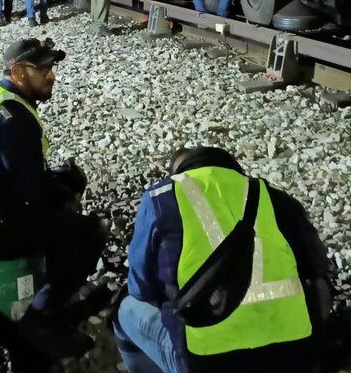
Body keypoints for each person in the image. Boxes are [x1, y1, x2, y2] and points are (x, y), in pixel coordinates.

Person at [113, 145, 333, 373]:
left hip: (208, 362)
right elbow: (317, 268)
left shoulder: (162, 197)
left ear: (178, 173)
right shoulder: (276, 197)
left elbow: (140, 288)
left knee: (124, 310)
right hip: (294, 355)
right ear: (234, 169)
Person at [0, 37, 110, 358]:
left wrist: (56, 181)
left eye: (51, 67)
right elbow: (36, 195)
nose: (51, 74)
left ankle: (51, 281)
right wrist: (65, 190)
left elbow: (19, 172)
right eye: (42, 69)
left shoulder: (1, 101)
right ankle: (40, 319)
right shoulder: (14, 122)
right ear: (17, 71)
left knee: (63, 204)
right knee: (91, 232)